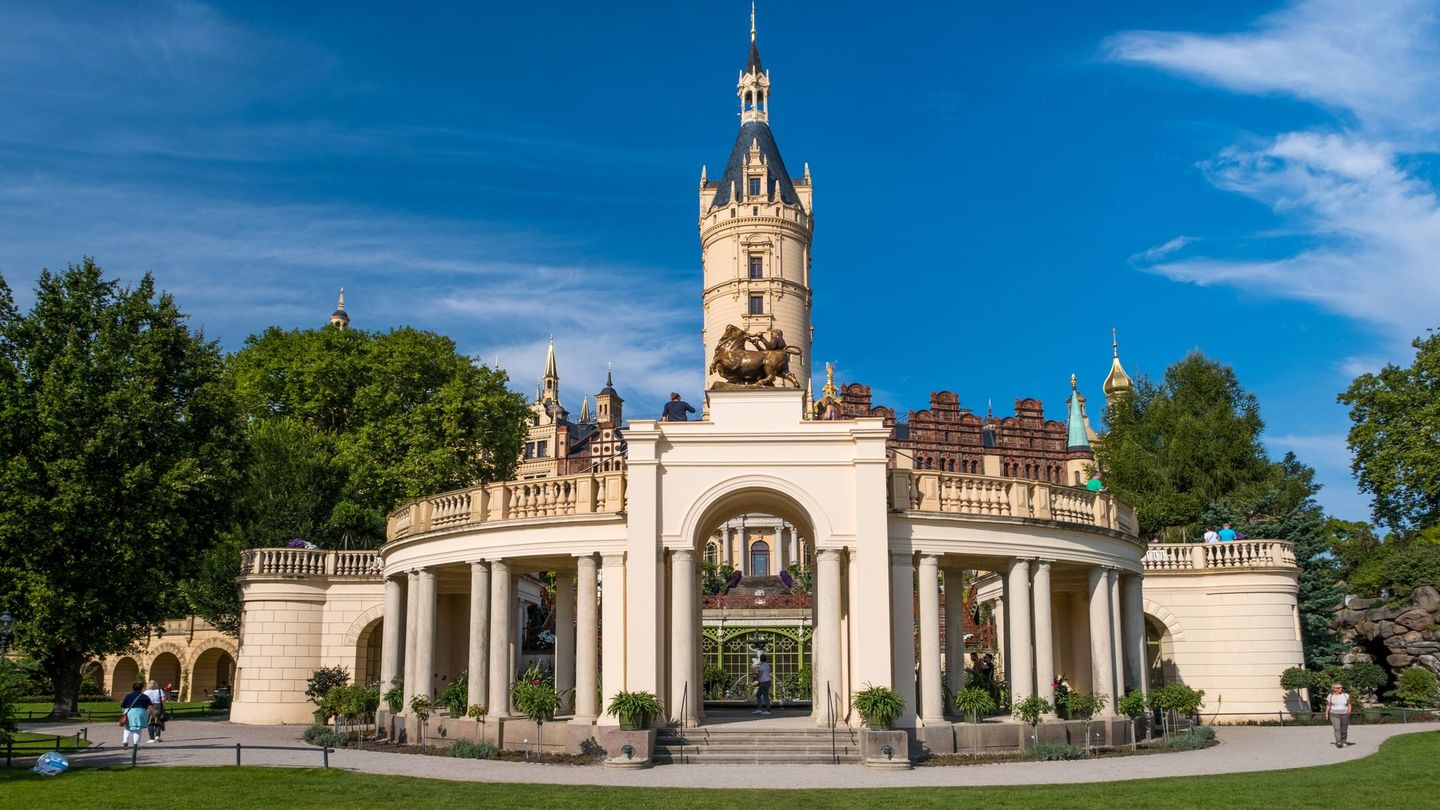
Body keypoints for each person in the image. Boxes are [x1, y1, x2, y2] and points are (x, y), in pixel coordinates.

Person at [119, 682, 152, 748]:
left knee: (127, 727)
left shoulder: (128, 696)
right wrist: (152, 714)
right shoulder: (145, 696)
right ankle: (136, 744)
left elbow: (123, 706)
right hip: (140, 712)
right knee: (137, 729)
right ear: (142, 688)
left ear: (133, 688)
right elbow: (150, 707)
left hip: (129, 712)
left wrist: (124, 714)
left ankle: (125, 741)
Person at [1324, 682, 1351, 748]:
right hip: (1334, 714)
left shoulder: (1346, 695)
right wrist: (1326, 713)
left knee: (1344, 729)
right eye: (1338, 688)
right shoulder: (1330, 696)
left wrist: (1349, 711)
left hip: (1344, 714)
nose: (1341, 689)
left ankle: (1344, 741)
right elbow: (1328, 705)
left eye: (1341, 687)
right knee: (1337, 729)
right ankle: (1339, 742)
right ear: (1334, 689)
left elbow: (1349, 704)